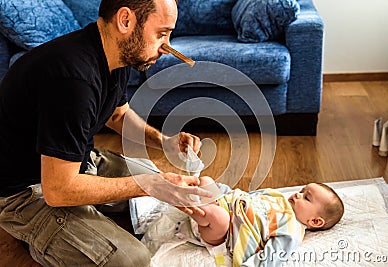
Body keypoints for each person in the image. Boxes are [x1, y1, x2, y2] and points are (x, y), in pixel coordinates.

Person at [0, 0, 210, 266]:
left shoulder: (115, 54)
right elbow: (57, 189)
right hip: (26, 192)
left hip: (74, 163)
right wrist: (146, 187)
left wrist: (164, 143)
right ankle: (41, 242)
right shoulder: (72, 79)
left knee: (162, 186)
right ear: (125, 21)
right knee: (133, 260)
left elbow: (117, 114)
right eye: (161, 34)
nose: (167, 48)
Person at [189, 177, 345, 267]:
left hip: (224, 231)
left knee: (217, 216)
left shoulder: (292, 231)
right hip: (225, 204)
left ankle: (190, 204)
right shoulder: (277, 197)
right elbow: (246, 196)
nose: (298, 195)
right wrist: (223, 191)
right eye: (301, 191)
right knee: (205, 181)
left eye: (306, 197)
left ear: (315, 221)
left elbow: (270, 257)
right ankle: (195, 201)